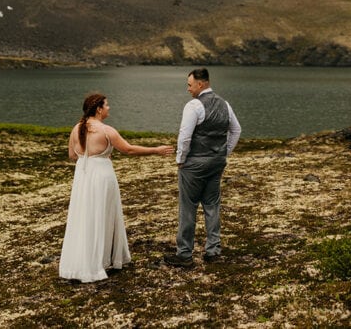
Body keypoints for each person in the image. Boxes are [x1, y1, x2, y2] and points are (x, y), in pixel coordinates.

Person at [59, 92, 173, 283]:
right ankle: (102, 259)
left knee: (84, 216)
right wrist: (156, 150)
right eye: (106, 105)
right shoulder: (106, 130)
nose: (109, 107)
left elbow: (72, 155)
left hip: (83, 177)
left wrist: (91, 156)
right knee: (103, 216)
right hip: (102, 177)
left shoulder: (76, 128)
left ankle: (83, 261)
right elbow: (128, 149)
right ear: (98, 109)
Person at [163, 67, 242, 267]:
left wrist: (180, 159)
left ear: (200, 84)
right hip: (216, 163)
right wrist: (224, 153)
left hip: (194, 164)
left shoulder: (194, 106)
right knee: (212, 205)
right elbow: (236, 130)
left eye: (190, 85)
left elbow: (185, 136)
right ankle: (213, 251)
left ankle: (184, 255)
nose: (188, 89)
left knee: (188, 207)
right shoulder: (225, 104)